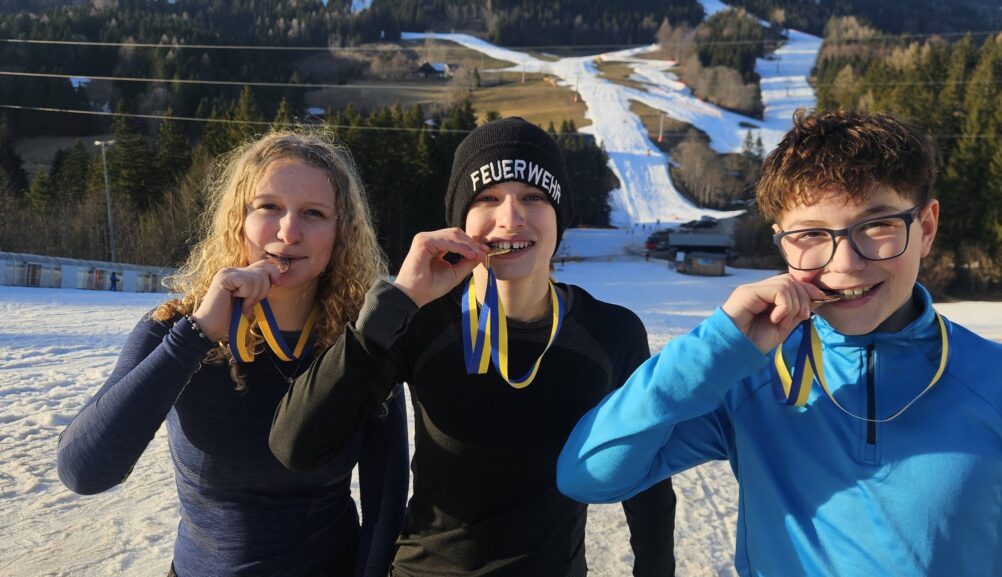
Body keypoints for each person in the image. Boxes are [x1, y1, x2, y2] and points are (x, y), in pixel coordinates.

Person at [557, 110, 1002, 576]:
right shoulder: (747, 377)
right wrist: (713, 347)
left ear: (926, 228)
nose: (845, 263)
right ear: (781, 242)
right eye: (812, 234)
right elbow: (588, 475)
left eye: (877, 225)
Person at [271, 117, 676, 577]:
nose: (510, 217)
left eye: (533, 197)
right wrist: (397, 301)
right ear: (460, 220)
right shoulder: (421, 320)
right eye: (487, 198)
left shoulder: (611, 332)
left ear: (559, 216)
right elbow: (296, 445)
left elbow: (647, 481)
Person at [57, 131, 409, 577]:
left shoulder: (361, 343)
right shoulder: (175, 328)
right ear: (238, 218)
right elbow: (83, 472)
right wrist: (197, 336)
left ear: (341, 233)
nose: (288, 232)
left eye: (314, 213)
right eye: (269, 207)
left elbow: (385, 502)